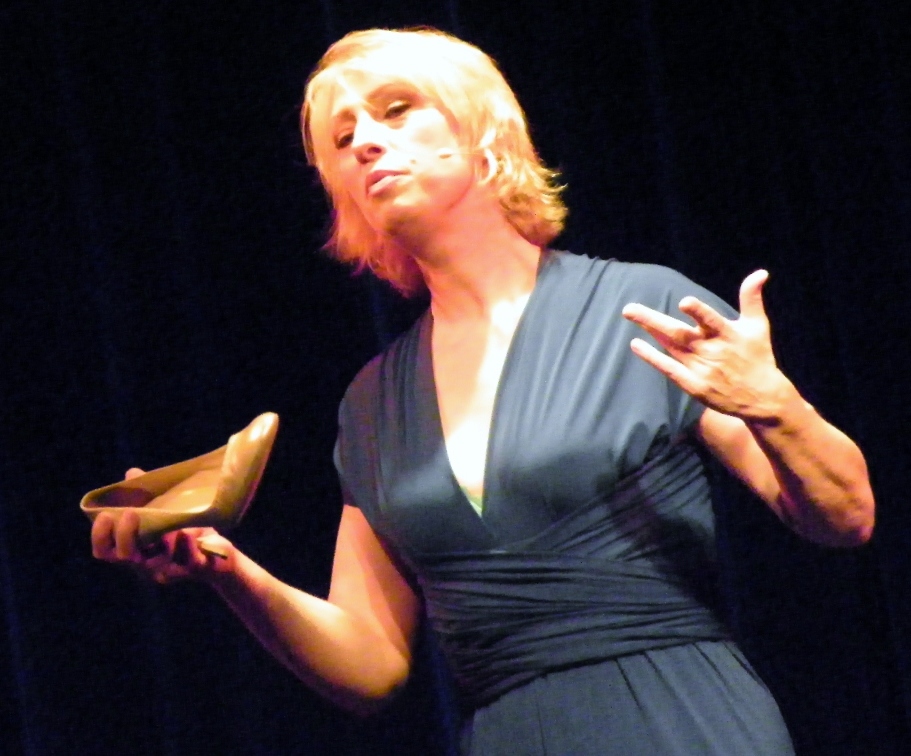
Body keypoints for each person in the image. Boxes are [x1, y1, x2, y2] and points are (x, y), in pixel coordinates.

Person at [91, 28, 875, 755]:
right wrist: (225, 569)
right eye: (343, 138)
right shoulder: (372, 403)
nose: (365, 141)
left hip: (678, 719)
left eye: (396, 110)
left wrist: (776, 407)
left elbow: (844, 518)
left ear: (480, 128)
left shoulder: (644, 308)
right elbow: (369, 665)